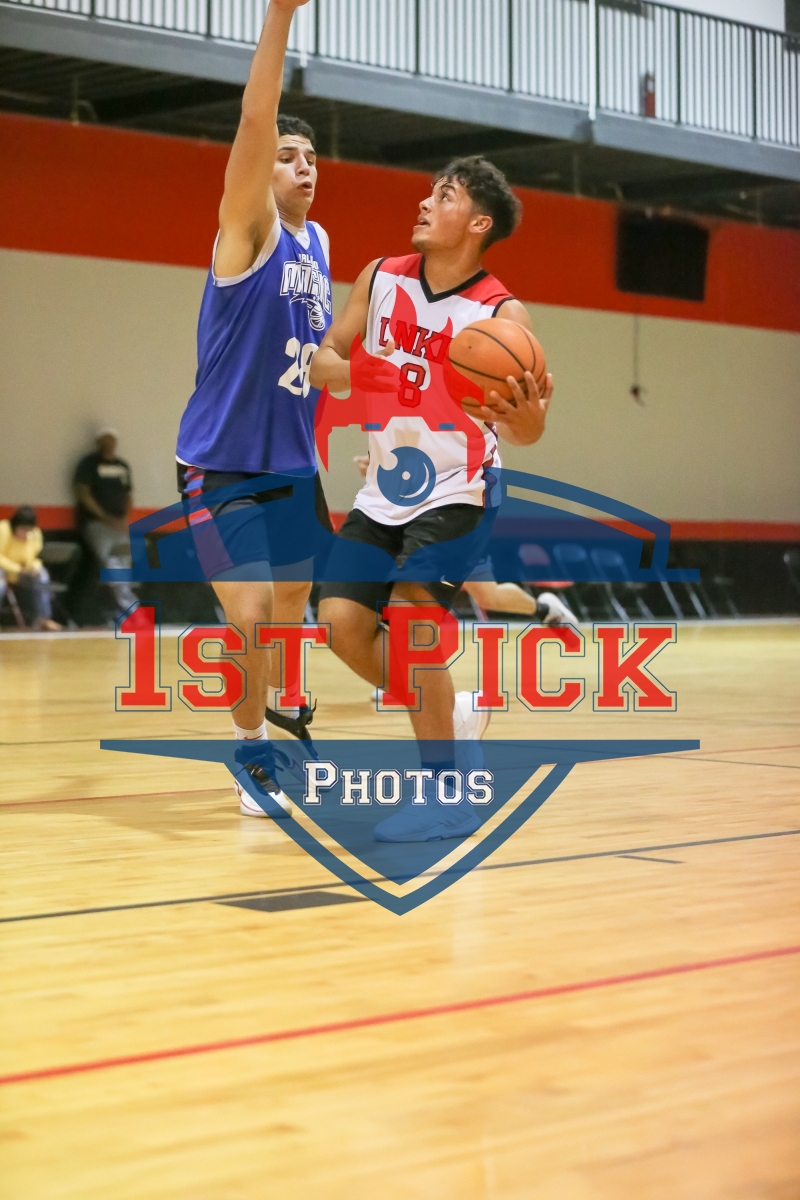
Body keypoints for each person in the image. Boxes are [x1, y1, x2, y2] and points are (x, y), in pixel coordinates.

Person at [310, 155, 572, 843]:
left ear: (478, 223)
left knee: (411, 620)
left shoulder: (502, 314)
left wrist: (527, 419)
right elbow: (322, 360)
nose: (425, 203)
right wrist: (368, 372)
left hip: (461, 488)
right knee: (339, 624)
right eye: (430, 192)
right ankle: (451, 714)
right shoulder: (381, 276)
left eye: (445, 195)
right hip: (385, 488)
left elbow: (528, 430)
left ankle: (448, 793)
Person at [173, 0, 332, 818]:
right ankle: (250, 751)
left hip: (293, 463)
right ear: (262, 171)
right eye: (288, 156)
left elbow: (317, 356)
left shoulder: (321, 244)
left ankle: (287, 707)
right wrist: (280, 16)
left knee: (297, 603)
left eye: (312, 158)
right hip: (222, 462)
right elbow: (254, 118)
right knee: (254, 614)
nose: (304, 167)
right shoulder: (248, 229)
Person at [351, 454, 574, 620]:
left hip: (457, 521)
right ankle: (544, 610)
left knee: (484, 597)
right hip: (420, 521)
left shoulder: (466, 438)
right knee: (488, 596)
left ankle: (544, 609)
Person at [74, 427, 138, 616]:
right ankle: (130, 609)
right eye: (105, 440)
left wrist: (124, 518)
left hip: (120, 525)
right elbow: (83, 493)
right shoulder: (88, 464)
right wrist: (105, 518)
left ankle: (123, 609)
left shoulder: (122, 466)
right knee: (111, 563)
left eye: (111, 440)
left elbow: (128, 494)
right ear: (98, 442)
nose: (108, 444)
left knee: (125, 564)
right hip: (97, 525)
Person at [0, 506, 61, 631]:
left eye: (29, 530)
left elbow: (37, 556)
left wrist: (34, 568)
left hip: (25, 571)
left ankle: (43, 619)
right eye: (23, 529)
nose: (26, 533)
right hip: (5, 570)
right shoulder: (3, 529)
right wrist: (18, 569)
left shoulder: (35, 533)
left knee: (42, 575)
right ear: (14, 526)